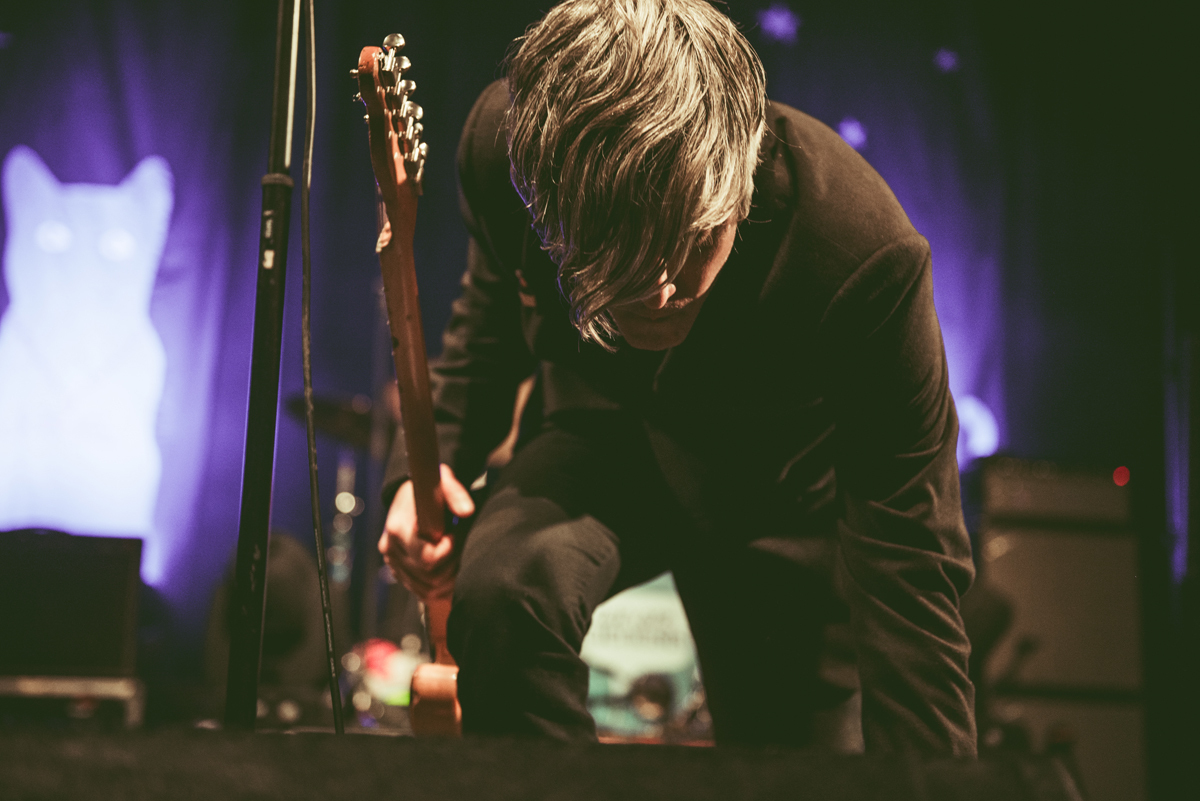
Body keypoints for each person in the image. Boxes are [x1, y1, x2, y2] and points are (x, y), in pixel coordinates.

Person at [379, 0, 976, 754]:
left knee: (787, 763)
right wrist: (423, 472)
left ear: (740, 177)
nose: (661, 288)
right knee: (503, 596)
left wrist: (940, 782)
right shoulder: (508, 153)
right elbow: (493, 318)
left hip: (783, 500)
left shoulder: (863, 255)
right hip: (604, 439)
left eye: (692, 239)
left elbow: (912, 555)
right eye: (621, 252)